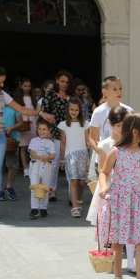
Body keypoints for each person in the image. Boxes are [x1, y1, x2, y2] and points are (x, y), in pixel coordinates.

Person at [98, 112, 140, 279]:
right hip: (119, 200)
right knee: (117, 241)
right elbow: (103, 172)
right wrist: (103, 186)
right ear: (135, 131)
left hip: (139, 201)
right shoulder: (116, 152)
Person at [0, 66, 54, 221]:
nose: (2, 85)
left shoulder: (2, 94)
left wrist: (41, 113)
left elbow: (21, 109)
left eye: (3, 82)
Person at [87, 106, 137, 273]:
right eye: (118, 125)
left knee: (129, 227)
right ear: (110, 124)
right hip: (110, 191)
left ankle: (130, 261)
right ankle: (104, 256)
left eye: (125, 125)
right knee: (108, 226)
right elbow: (101, 169)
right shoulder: (105, 144)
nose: (121, 129)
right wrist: (106, 182)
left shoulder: (131, 144)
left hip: (128, 191)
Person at [39, 70, 77, 202]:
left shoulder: (73, 96)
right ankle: (52, 191)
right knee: (54, 165)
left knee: (70, 166)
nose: (64, 84)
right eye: (62, 81)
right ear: (56, 81)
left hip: (71, 134)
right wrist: (47, 133)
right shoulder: (50, 94)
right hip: (54, 134)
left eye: (67, 82)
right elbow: (44, 113)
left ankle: (71, 195)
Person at [88, 76, 133, 177]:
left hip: (123, 157)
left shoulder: (128, 110)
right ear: (105, 92)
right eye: (115, 89)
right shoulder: (98, 111)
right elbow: (92, 137)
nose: (119, 92)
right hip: (104, 158)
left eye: (120, 88)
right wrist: (100, 152)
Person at [58, 97, 90, 218]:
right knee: (74, 180)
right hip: (69, 155)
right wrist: (62, 159)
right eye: (71, 109)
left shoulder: (86, 124)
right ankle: (75, 207)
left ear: (80, 110)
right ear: (68, 110)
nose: (74, 112)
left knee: (82, 182)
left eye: (76, 110)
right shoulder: (63, 125)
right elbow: (63, 142)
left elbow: (87, 140)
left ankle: (79, 201)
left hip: (83, 155)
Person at [28, 119, 56, 218]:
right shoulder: (34, 140)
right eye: (39, 129)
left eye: (44, 129)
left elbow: (53, 155)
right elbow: (32, 152)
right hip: (36, 165)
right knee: (34, 186)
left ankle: (43, 208)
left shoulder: (51, 143)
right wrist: (39, 157)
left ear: (49, 130)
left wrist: (47, 157)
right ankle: (34, 208)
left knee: (45, 187)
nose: (41, 131)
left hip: (46, 166)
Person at [0, 96, 24, 201]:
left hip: (12, 140)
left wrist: (12, 128)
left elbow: (21, 122)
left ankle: (9, 187)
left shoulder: (14, 107)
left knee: (13, 165)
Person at [14, 78, 38, 177]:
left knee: (32, 147)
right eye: (25, 86)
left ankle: (32, 166)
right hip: (22, 123)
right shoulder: (17, 99)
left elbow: (36, 111)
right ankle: (25, 168)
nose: (27, 88)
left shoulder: (34, 98)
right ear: (21, 86)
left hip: (33, 124)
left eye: (29, 86)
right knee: (23, 146)